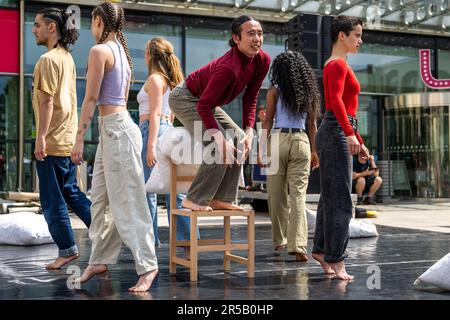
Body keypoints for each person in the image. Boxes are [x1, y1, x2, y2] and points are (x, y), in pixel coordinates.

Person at [71, 1, 158, 292]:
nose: (90, 28)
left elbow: (91, 99)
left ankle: (148, 266)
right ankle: (99, 259)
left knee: (128, 202)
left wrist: (79, 137)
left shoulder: (99, 51)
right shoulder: (121, 50)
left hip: (117, 132)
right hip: (115, 131)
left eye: (91, 22)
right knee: (100, 201)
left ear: (98, 21)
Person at [169, 15, 271, 212]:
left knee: (240, 139)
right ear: (236, 38)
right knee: (220, 145)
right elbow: (203, 106)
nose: (257, 38)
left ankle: (221, 198)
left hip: (209, 102)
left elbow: (251, 96)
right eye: (250, 34)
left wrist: (249, 130)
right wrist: (217, 137)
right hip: (185, 98)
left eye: (259, 33)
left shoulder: (262, 61)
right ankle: (194, 198)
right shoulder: (228, 68)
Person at [31, 7, 91, 269]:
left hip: (53, 141)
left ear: (51, 27)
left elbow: (46, 102)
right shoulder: (66, 58)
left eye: (37, 24)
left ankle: (67, 249)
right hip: (66, 139)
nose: (33, 29)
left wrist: (40, 137)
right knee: (73, 193)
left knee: (51, 201)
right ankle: (104, 235)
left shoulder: (47, 60)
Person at [312, 16, 370, 280]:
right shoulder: (336, 65)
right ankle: (337, 259)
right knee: (342, 201)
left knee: (330, 197)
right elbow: (334, 101)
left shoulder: (340, 64)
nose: (360, 40)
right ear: (341, 36)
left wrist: (359, 138)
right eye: (356, 35)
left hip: (339, 129)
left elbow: (346, 108)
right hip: (336, 131)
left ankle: (323, 251)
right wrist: (349, 133)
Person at [258, 51, 320, 262]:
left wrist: (260, 149)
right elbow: (312, 125)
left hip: (277, 140)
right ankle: (299, 246)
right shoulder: (309, 92)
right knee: (298, 196)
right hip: (301, 140)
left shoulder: (274, 90)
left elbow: (268, 122)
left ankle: (280, 239)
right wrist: (313, 150)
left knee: (276, 193)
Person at [138, 37, 194, 247]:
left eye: (145, 52)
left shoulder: (154, 79)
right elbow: (169, 116)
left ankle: (150, 241)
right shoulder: (171, 81)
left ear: (150, 55)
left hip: (152, 131)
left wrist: (151, 145)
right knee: (176, 190)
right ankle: (186, 240)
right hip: (168, 132)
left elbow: (154, 114)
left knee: (149, 189)